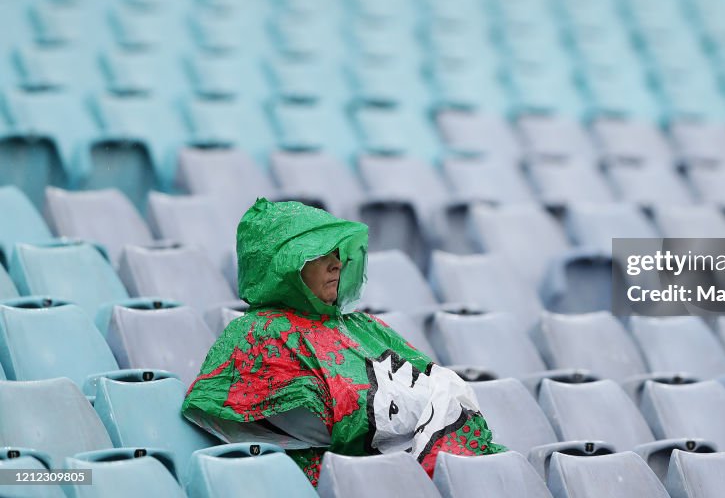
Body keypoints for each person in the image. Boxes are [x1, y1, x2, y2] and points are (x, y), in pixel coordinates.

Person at [182, 198, 505, 485]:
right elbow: (320, 422)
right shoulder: (259, 335)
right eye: (321, 254)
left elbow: (430, 383)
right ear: (283, 266)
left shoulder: (360, 325)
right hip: (335, 481)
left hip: (396, 471)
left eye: (338, 253)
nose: (337, 263)